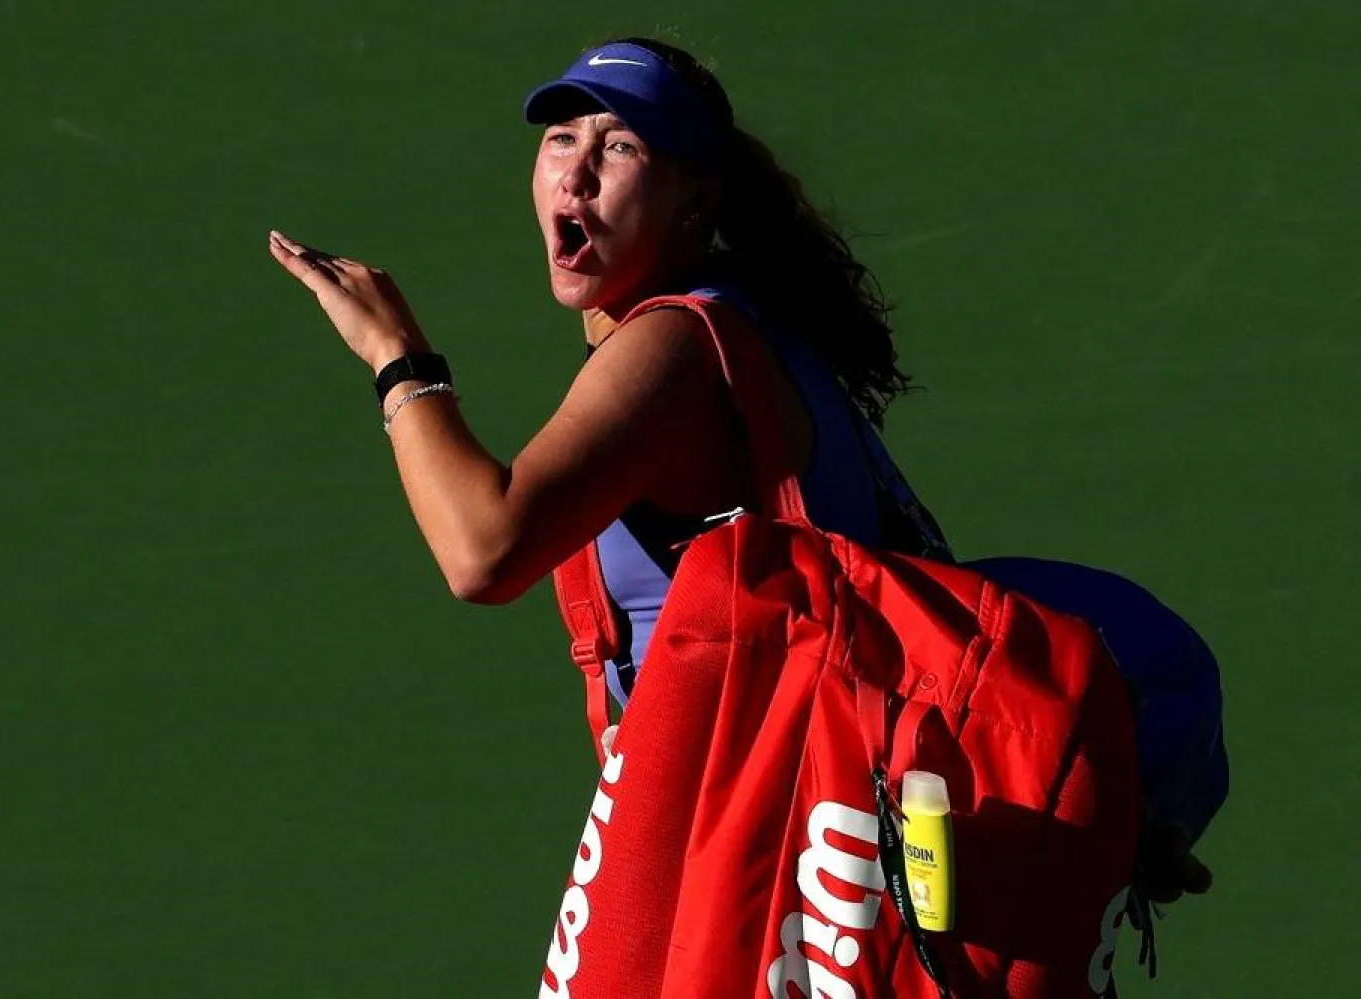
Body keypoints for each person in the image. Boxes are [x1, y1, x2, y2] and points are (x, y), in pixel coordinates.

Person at [268, 36, 1218, 903]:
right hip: (822, 843)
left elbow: (484, 548)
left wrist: (398, 357)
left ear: (696, 198)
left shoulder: (674, 349)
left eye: (623, 148)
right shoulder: (749, 318)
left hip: (771, 859)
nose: (580, 173)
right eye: (562, 139)